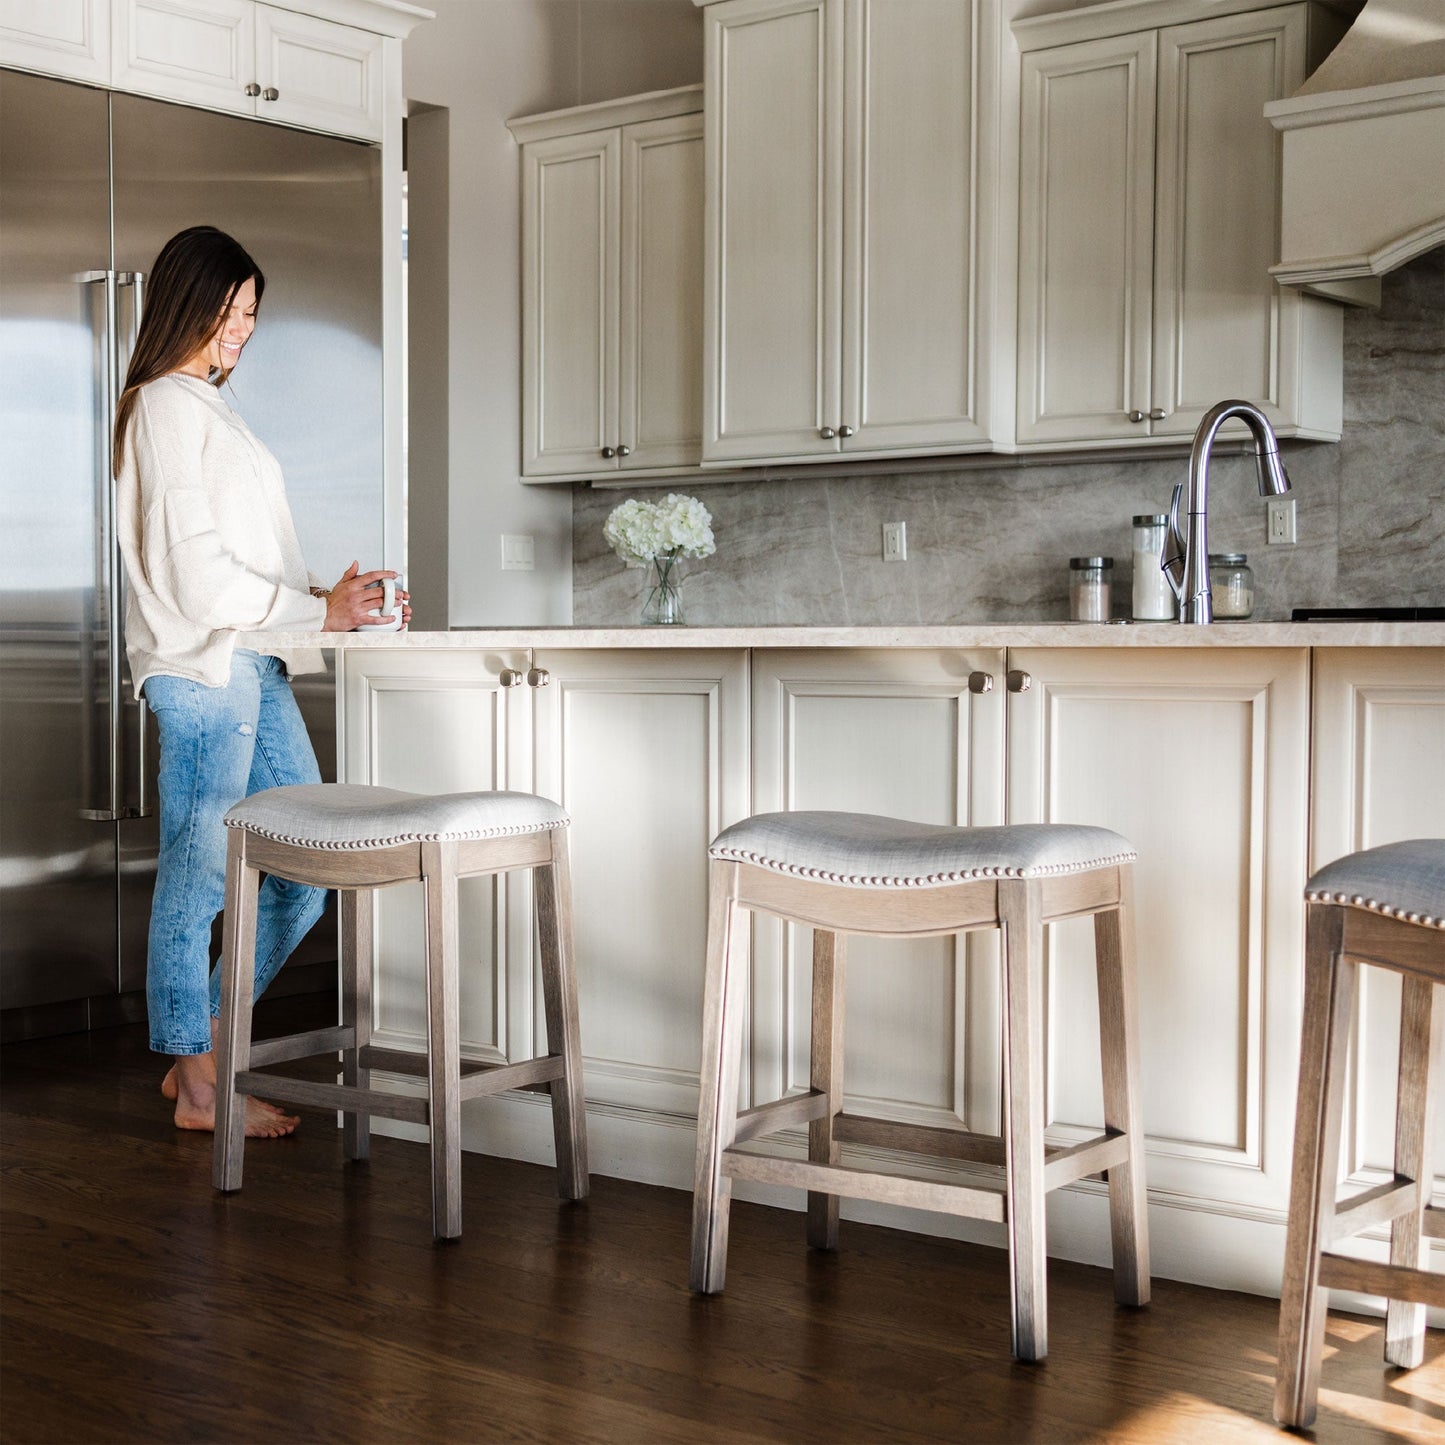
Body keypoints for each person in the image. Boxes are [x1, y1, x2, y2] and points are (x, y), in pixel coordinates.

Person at [113, 225, 408, 1138]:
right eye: (231, 310)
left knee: (303, 876)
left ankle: (196, 1046)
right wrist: (315, 610)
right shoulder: (164, 404)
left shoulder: (210, 407)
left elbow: (235, 560)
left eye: (252, 314)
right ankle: (199, 1081)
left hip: (256, 659)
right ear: (187, 303)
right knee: (200, 878)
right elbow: (194, 576)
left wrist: (326, 597)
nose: (243, 329)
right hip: (204, 669)